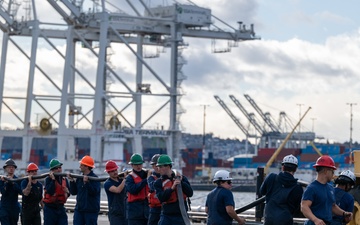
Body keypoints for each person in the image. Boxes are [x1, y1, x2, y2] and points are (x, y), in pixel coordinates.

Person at [301, 155, 353, 225]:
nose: (333, 174)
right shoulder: (312, 188)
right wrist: (315, 220)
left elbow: (333, 206)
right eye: (332, 171)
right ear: (325, 171)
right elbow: (304, 207)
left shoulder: (330, 188)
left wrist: (344, 213)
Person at [259, 154, 304, 225]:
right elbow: (297, 207)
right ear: (295, 169)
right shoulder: (297, 187)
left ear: (283, 167)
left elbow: (262, 191)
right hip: (285, 220)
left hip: (269, 218)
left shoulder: (271, 177)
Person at [154, 154, 193, 225]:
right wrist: (172, 188)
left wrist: (181, 183)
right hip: (167, 216)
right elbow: (161, 198)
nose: (158, 169)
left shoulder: (182, 178)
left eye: (160, 166)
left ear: (168, 166)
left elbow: (190, 193)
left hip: (181, 215)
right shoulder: (158, 183)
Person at [69, 155, 101, 225]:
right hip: (79, 210)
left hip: (91, 211)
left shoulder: (95, 179)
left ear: (86, 166)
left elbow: (94, 192)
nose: (80, 167)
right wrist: (72, 181)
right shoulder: (80, 178)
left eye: (81, 165)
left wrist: (87, 183)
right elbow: (74, 192)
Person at [43, 158, 70, 225]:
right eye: (56, 168)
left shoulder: (64, 179)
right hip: (50, 208)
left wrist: (67, 192)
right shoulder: (48, 179)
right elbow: (50, 191)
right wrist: (53, 180)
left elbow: (69, 192)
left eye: (59, 168)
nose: (59, 170)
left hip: (60, 207)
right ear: (52, 170)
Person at [125, 153, 150, 225]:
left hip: (146, 210)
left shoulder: (147, 174)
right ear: (132, 165)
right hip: (134, 211)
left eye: (140, 164)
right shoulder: (129, 178)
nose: (138, 166)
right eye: (136, 165)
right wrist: (146, 180)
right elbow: (133, 190)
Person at [104, 160, 127, 225]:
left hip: (124, 211)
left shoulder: (121, 180)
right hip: (115, 214)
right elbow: (117, 190)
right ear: (108, 172)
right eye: (112, 171)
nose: (115, 172)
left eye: (115, 170)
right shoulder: (107, 183)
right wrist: (125, 180)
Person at [0, 158, 22, 225]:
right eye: (9, 167)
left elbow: (21, 192)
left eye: (12, 167)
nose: (11, 169)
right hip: (4, 207)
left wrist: (13, 183)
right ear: (6, 169)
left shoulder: (18, 180)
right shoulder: (2, 180)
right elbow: (3, 192)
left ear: (14, 169)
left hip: (14, 207)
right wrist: (6, 182)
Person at [147, 154, 161, 225]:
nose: (157, 167)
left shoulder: (169, 176)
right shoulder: (151, 178)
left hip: (166, 208)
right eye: (155, 165)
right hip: (155, 209)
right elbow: (152, 186)